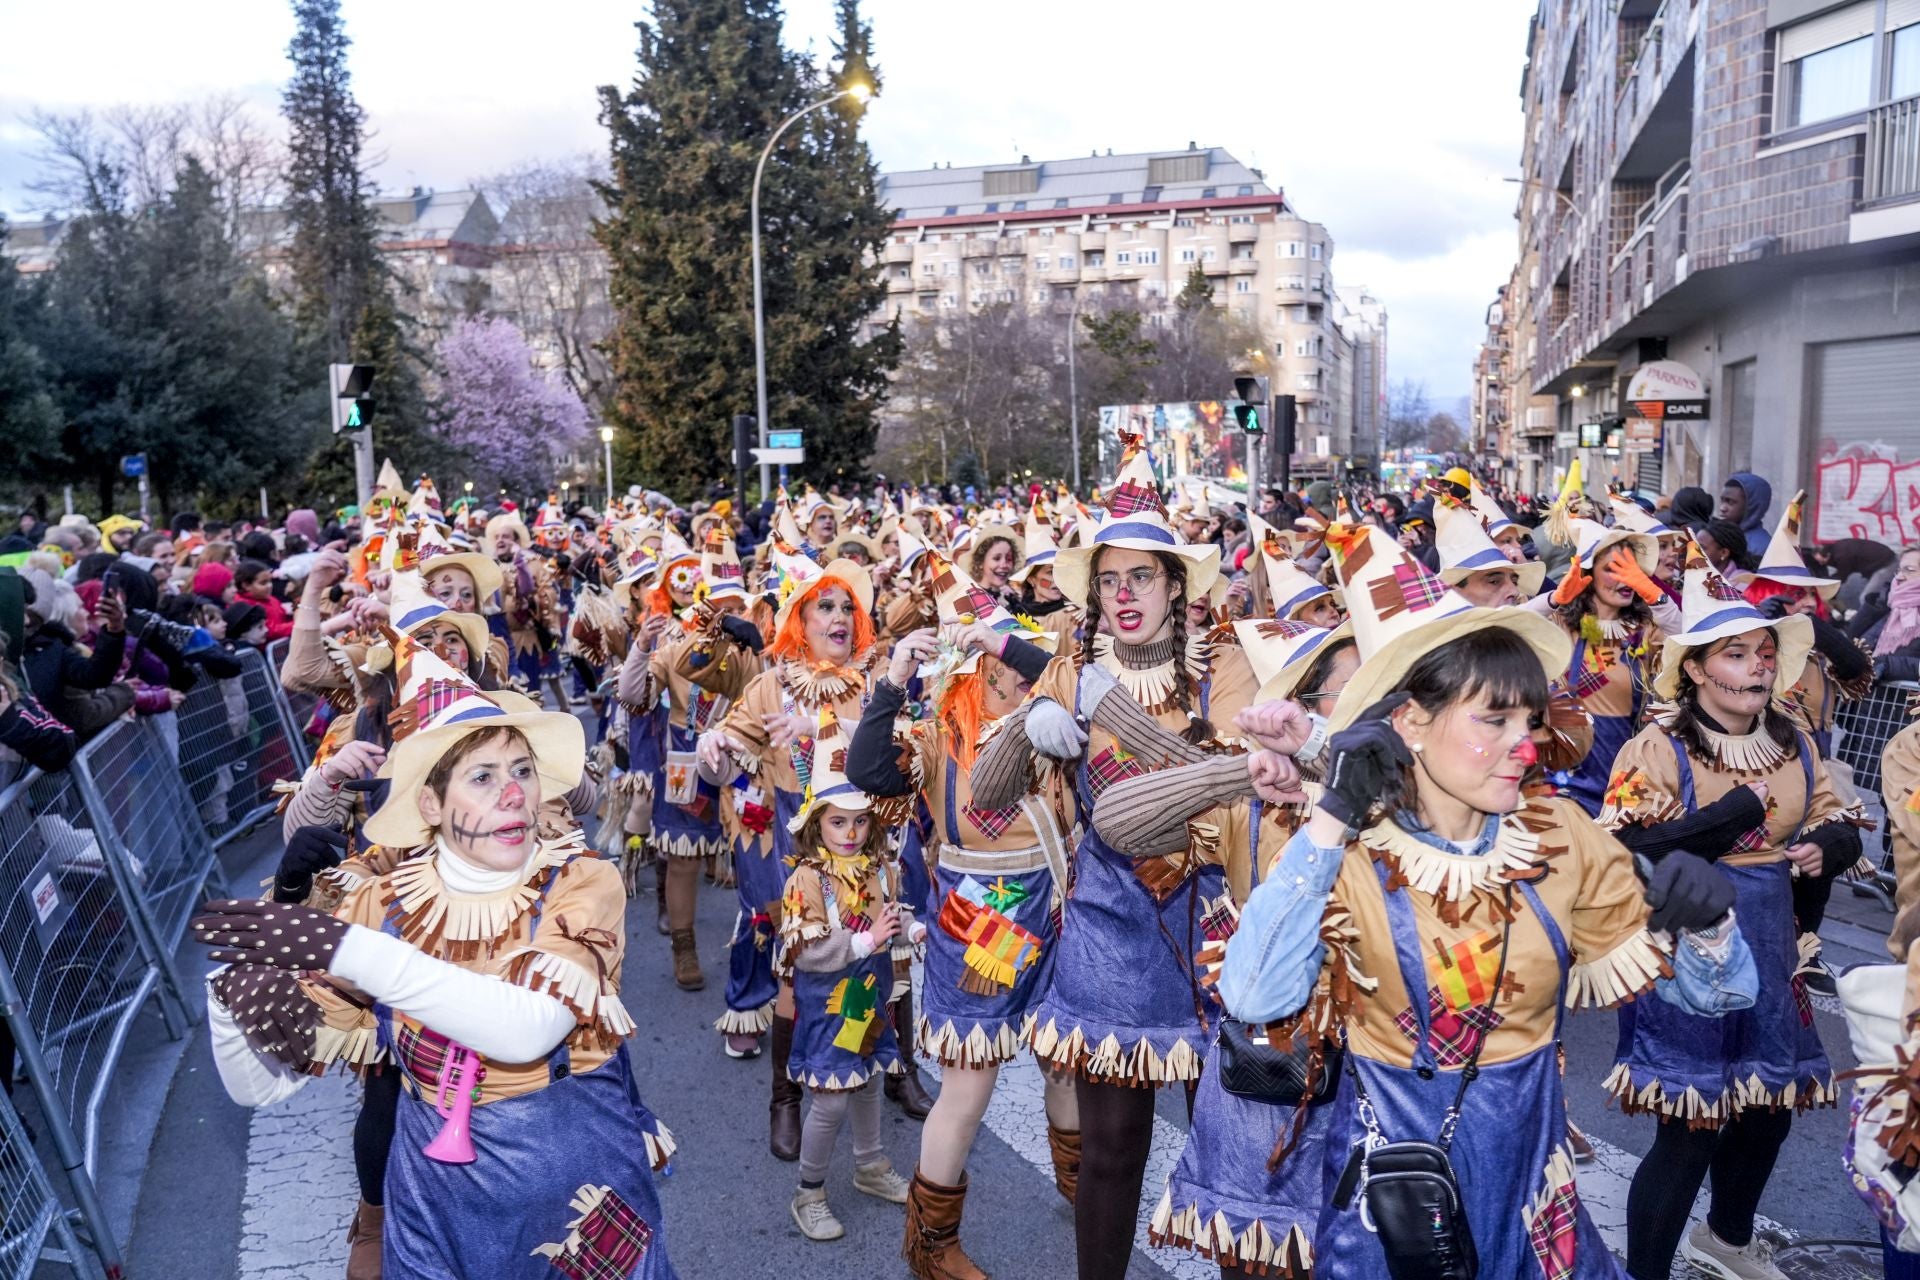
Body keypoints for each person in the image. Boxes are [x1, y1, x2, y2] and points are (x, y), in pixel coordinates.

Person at [1215, 521, 1757, 1280]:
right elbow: (1252, 995)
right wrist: (1332, 819)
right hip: (1396, 1214)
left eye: (1529, 721)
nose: (1525, 746)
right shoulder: (1344, 849)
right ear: (1411, 722)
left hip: (1537, 1204)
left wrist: (1709, 924)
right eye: (1494, 720)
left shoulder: (1561, 836)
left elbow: (1719, 995)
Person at [194, 640, 677, 1279]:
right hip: (432, 1198)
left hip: (574, 1187)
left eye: (523, 770)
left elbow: (528, 1027)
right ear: (431, 805)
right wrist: (237, 981)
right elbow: (259, 1084)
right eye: (483, 777)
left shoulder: (581, 881)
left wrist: (349, 949)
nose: (514, 794)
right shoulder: (380, 903)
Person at [967, 438, 1258, 1280]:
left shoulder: (1225, 670)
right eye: (1109, 580)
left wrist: (1113, 714)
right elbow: (987, 793)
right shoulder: (1068, 670)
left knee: (1235, 1149)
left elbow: (1227, 780)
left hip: (1217, 927)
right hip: (1110, 926)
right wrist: (1027, 726)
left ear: (1176, 586)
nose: (1124, 595)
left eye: (1142, 577)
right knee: (1111, 1153)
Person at [1599, 539, 1864, 1280]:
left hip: (1773, 943)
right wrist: (1733, 815)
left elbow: (1835, 813)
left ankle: (1726, 1237)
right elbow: (1627, 848)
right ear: (1694, 669)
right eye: (1737, 656)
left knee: (1768, 1111)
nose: (1758, 668)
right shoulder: (1656, 747)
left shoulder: (1796, 742)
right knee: (1690, 1127)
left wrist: (1830, 843)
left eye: (1764, 655)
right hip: (1688, 947)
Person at [1090, 617, 1356, 1277]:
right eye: (1353, 697)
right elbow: (1116, 820)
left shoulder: (1418, 801)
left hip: (1379, 1082)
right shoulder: (1256, 801)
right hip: (1269, 1076)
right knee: (1256, 1258)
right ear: (1297, 708)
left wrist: (1334, 760)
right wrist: (1233, 776)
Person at [845, 567, 1074, 1279]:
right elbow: (867, 771)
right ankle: (931, 1245)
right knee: (969, 1088)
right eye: (1005, 665)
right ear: (979, 675)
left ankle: (1082, 1186)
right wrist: (893, 680)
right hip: (980, 920)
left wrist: (1003, 640)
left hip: (1058, 905)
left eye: (1022, 661)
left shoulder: (1056, 719)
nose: (1023, 676)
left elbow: (1068, 674)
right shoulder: (940, 736)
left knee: (1063, 1061)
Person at [777, 711, 918, 1241]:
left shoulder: (881, 868)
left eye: (860, 821)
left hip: (870, 996)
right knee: (831, 1098)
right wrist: (865, 941)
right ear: (817, 823)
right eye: (838, 822)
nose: (851, 833)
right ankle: (808, 1192)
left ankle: (870, 1165)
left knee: (869, 1082)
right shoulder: (806, 880)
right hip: (827, 1007)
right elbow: (806, 952)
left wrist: (914, 930)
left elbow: (892, 918)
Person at [1529, 514, 1672, 814]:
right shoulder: (1561, 623)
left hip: (1625, 780)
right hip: (1561, 780)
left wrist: (1658, 598)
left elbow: (1696, 647)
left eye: (1630, 569)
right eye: (1611, 569)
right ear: (1588, 575)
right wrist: (1553, 599)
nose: (1625, 579)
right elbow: (1506, 627)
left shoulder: (1646, 631)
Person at [1719, 472, 1774, 539]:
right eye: (1722, 500)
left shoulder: (1759, 544)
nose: (1722, 508)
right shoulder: (1726, 537)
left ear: (1751, 506)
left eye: (1730, 502)